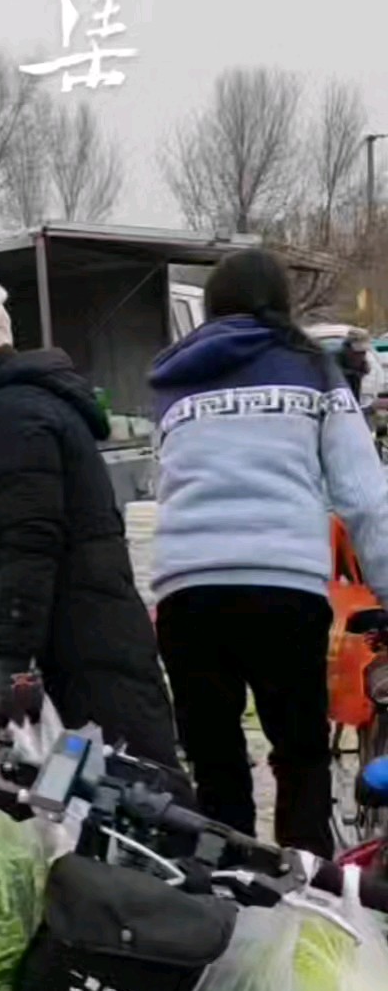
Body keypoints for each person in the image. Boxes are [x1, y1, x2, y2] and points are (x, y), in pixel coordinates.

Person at [148, 247, 388, 859]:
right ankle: (305, 900)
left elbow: (165, 484)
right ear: (280, 304)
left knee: (215, 761)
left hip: (186, 592)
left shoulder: (172, 378)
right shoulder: (313, 370)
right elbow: (365, 495)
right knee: (300, 754)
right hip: (282, 588)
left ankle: (228, 902)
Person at [0, 272, 183, 773]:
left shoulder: (9, 418)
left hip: (87, 644)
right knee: (93, 791)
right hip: (85, 636)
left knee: (134, 790)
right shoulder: (14, 410)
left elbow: (28, 541)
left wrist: (12, 655)